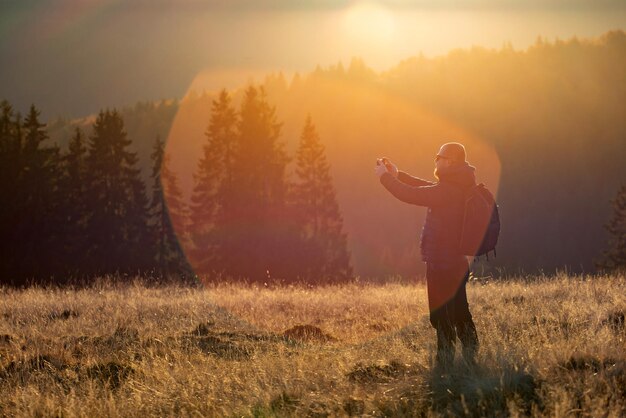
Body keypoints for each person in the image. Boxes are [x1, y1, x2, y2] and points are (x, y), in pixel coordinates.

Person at [375, 142, 479, 368]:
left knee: (440, 316)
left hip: (441, 263)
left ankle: (445, 362)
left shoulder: (447, 191)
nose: (436, 160)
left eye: (438, 157)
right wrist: (398, 174)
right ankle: (471, 356)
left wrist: (385, 178)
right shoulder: (457, 185)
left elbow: (412, 195)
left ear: (449, 161)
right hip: (456, 263)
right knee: (460, 311)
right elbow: (426, 188)